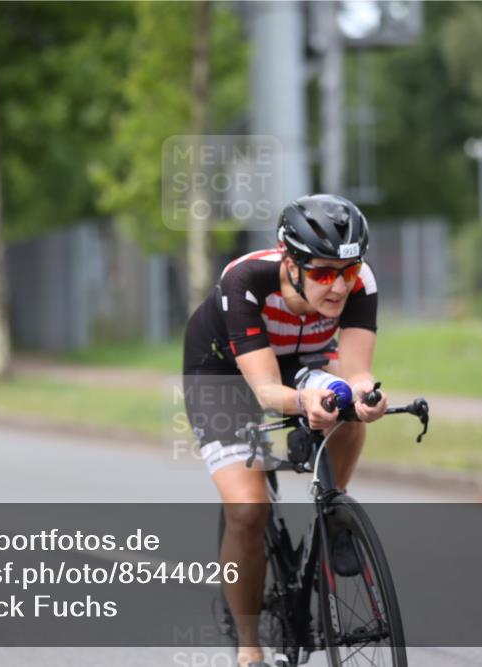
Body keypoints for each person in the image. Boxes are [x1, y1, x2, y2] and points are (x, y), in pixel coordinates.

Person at [182, 194, 387, 667]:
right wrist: (303, 402)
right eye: (321, 273)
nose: (338, 287)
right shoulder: (245, 280)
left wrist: (366, 395)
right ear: (290, 262)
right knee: (248, 511)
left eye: (348, 272)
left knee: (348, 408)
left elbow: (356, 371)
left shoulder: (360, 283)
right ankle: (249, 648)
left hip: (302, 360)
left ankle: (335, 518)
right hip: (226, 374)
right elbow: (266, 390)